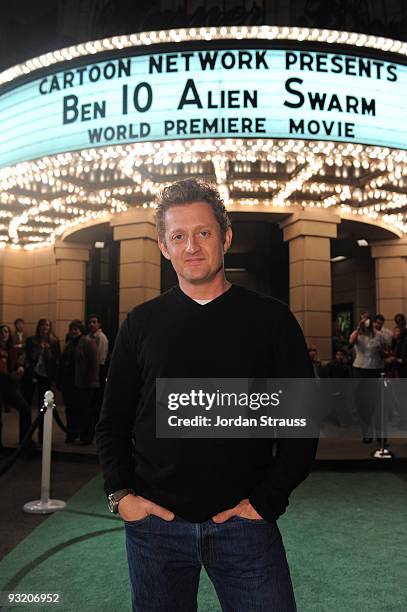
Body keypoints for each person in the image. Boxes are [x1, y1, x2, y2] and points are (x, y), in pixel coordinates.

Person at [96, 178, 318, 612]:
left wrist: (267, 500)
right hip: (155, 528)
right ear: (164, 247)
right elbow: (113, 420)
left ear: (225, 237)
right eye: (178, 236)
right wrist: (121, 496)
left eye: (203, 232)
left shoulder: (271, 319)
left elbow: (302, 422)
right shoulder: (141, 323)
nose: (191, 246)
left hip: (246, 527)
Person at [57, 320, 99, 444]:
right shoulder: (68, 343)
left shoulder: (88, 342)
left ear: (81, 330)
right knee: (70, 409)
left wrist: (92, 382)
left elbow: (94, 364)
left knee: (84, 410)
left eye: (76, 329)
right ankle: (71, 434)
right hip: (68, 383)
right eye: (71, 329)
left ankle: (86, 436)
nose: (73, 331)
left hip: (82, 383)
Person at [349, 312, 387, 443]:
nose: (366, 322)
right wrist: (359, 327)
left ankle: (380, 435)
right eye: (363, 320)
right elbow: (351, 341)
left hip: (376, 369)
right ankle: (366, 433)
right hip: (360, 370)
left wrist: (383, 351)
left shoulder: (378, 335)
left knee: (378, 403)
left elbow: (386, 348)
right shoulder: (357, 334)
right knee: (363, 403)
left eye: (367, 320)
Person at [23, 319, 60, 443]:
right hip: (32, 375)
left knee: (43, 406)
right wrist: (39, 349)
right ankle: (25, 436)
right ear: (39, 327)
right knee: (26, 404)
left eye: (48, 325)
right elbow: (29, 357)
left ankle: (43, 435)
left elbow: (54, 360)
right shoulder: (31, 340)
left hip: (46, 376)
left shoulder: (54, 341)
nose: (45, 327)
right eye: (43, 325)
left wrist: (48, 350)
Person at [0, 324, 32, 449]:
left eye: (6, 332)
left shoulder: (11, 349)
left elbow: (17, 361)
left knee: (25, 409)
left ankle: (25, 440)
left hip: (9, 385)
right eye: (2, 332)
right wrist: (9, 374)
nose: (4, 334)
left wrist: (20, 368)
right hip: (3, 381)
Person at [87, 314, 109, 440]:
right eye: (90, 322)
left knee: (96, 401)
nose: (92, 324)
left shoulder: (101, 338)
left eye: (94, 322)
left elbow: (100, 358)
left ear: (99, 324)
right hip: (89, 372)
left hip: (98, 371)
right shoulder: (88, 337)